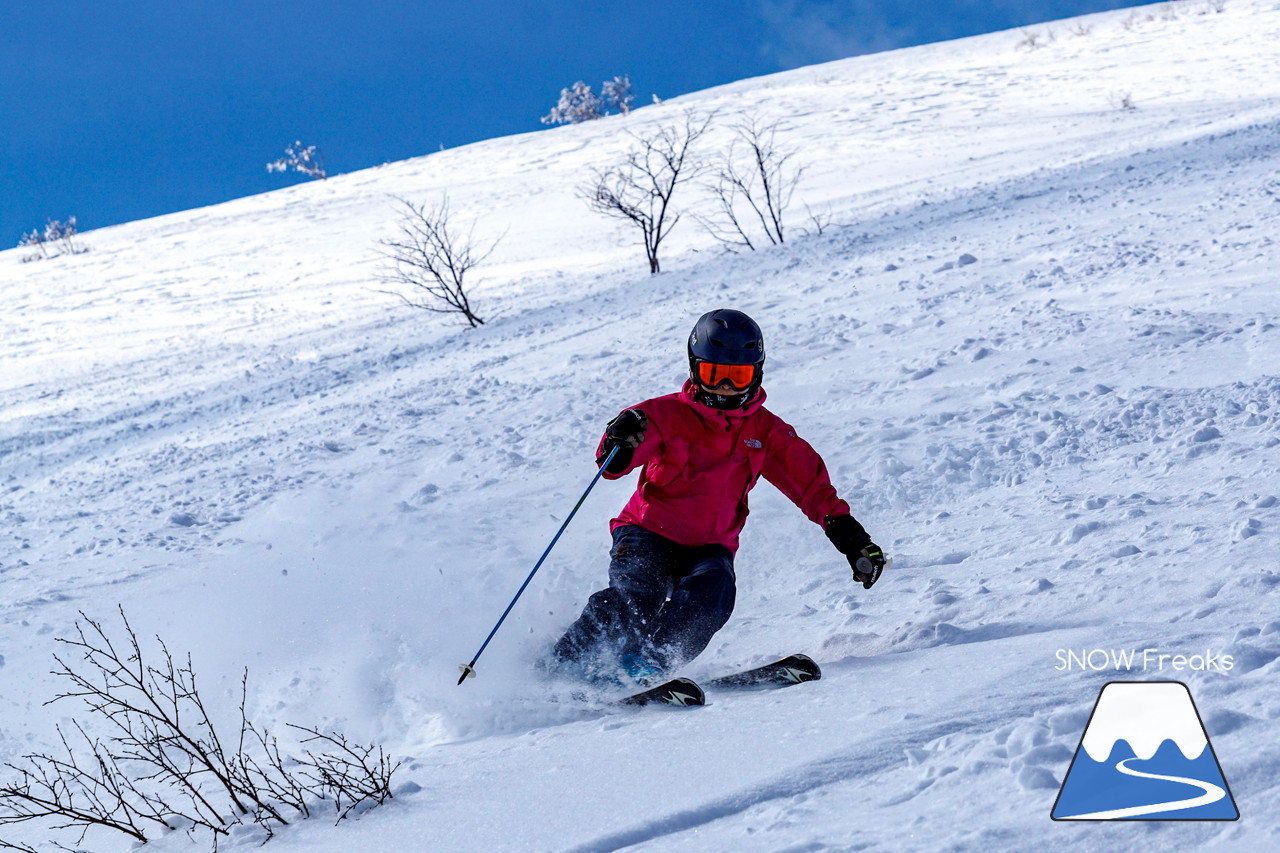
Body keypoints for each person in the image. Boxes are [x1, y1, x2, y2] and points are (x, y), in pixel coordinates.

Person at [550, 308, 885, 684]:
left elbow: (811, 486)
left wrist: (851, 538)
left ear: (756, 372)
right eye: (715, 373)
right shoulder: (663, 415)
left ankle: (644, 668)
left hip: (710, 547)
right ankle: (562, 667)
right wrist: (620, 439)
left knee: (713, 597)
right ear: (696, 368)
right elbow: (611, 467)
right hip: (646, 533)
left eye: (737, 375)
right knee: (637, 596)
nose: (726, 386)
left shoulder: (767, 432)